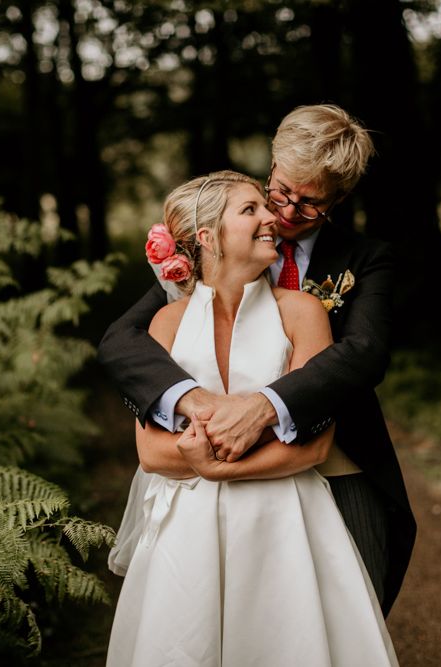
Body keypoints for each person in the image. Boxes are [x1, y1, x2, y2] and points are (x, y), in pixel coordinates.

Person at [98, 104, 416, 616]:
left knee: (352, 610)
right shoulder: (217, 243)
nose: (288, 214)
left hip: (336, 456)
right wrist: (194, 401)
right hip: (217, 462)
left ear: (338, 199)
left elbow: (363, 352)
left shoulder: (364, 259)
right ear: (271, 168)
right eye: (282, 193)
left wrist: (265, 407)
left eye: (310, 205)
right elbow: (123, 338)